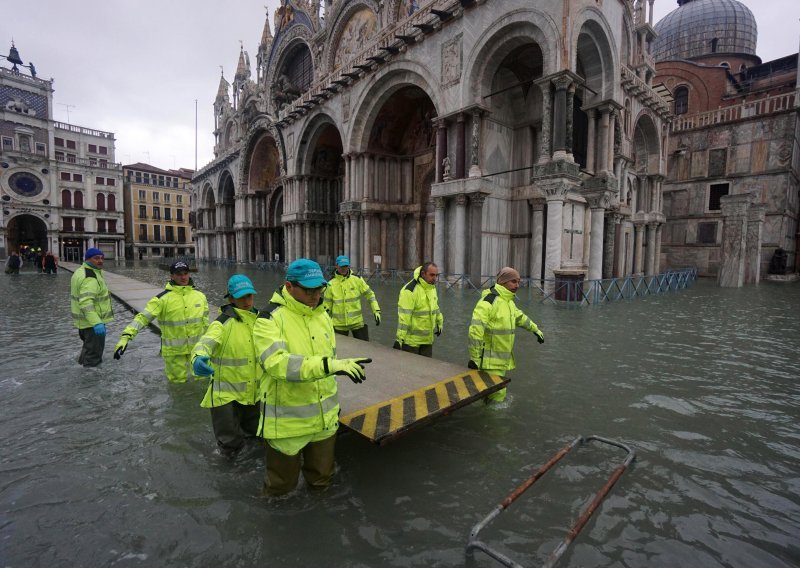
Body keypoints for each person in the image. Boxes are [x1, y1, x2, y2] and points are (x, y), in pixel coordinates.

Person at [254, 258, 371, 496]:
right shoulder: (268, 319)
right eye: (309, 289)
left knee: (322, 483)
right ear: (289, 287)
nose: (316, 294)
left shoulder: (322, 315)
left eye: (319, 288)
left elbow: (329, 359)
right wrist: (330, 365)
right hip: (287, 425)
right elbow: (277, 364)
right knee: (280, 489)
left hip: (324, 420)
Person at [191, 275, 262, 458]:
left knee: (255, 437)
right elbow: (205, 343)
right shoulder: (221, 324)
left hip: (252, 393)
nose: (247, 301)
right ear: (231, 299)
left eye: (249, 296)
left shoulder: (261, 321)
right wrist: (198, 357)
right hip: (225, 398)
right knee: (229, 446)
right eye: (241, 297)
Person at [113, 260, 208, 383]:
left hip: (197, 351)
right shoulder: (161, 299)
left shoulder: (200, 296)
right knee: (177, 385)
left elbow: (206, 324)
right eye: (179, 274)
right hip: (174, 353)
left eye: (185, 273)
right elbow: (143, 318)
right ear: (172, 276)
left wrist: (209, 346)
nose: (183, 277)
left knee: (202, 381)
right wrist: (126, 337)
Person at [468, 267, 545, 403]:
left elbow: (520, 318)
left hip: (500, 361)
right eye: (513, 282)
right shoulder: (489, 302)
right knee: (497, 395)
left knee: (491, 394)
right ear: (503, 282)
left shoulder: (508, 302)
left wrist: (536, 330)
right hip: (489, 361)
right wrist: (474, 358)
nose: (517, 285)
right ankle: (494, 422)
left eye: (518, 282)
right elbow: (475, 330)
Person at [70, 248, 113, 367]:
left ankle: (82, 370)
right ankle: (91, 383)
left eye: (101, 258)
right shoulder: (90, 277)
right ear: (88, 259)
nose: (100, 261)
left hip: (83, 323)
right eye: (96, 258)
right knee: (94, 358)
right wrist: (97, 323)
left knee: (87, 351)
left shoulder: (80, 271)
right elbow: (86, 303)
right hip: (92, 325)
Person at [323, 255, 381, 341]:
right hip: (339, 325)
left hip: (357, 322)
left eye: (346, 266)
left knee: (364, 349)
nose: (344, 268)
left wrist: (376, 311)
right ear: (336, 266)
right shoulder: (330, 284)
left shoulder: (357, 280)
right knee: (340, 352)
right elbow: (327, 307)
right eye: (341, 266)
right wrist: (324, 322)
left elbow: (370, 295)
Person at [393, 262, 444, 358]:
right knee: (411, 371)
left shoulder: (431, 288)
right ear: (423, 274)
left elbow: (435, 307)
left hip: (428, 340)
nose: (435, 278)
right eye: (432, 275)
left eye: (436, 275)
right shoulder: (409, 290)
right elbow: (404, 317)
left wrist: (440, 322)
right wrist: (399, 340)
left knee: (427, 370)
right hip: (411, 343)